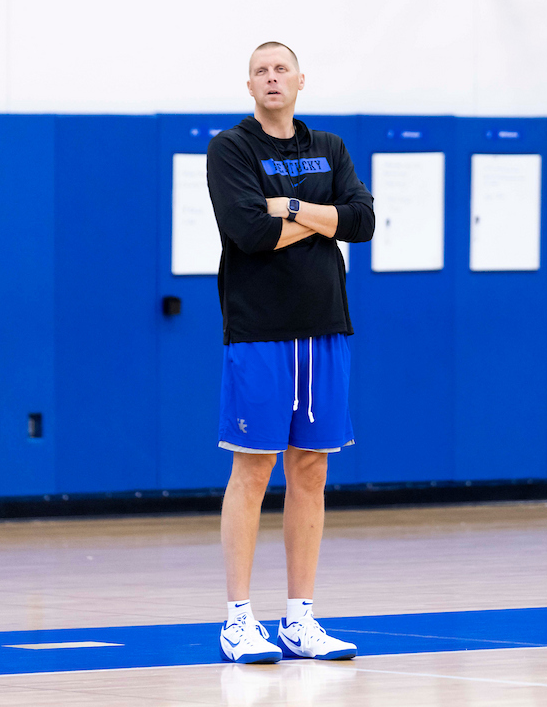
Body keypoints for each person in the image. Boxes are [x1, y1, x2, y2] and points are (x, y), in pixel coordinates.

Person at [206, 41, 374, 663]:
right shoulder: (231, 148)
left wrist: (293, 207)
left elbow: (363, 221)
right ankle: (238, 620)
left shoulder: (330, 146)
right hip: (259, 331)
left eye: (281, 69)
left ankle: (299, 620)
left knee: (312, 470)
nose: (272, 78)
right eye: (261, 71)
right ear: (249, 85)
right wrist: (325, 218)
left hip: (324, 327)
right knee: (253, 469)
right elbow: (250, 231)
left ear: (301, 80)